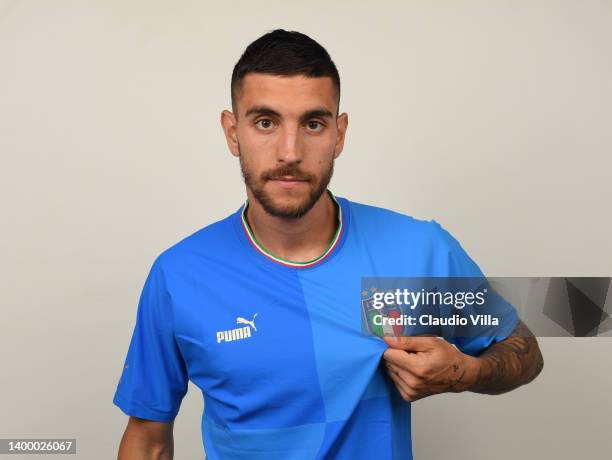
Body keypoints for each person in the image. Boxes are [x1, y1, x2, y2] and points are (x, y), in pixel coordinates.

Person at [113, 29, 544, 460]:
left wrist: (465, 371)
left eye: (313, 124)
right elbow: (149, 440)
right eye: (266, 122)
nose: (290, 152)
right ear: (232, 132)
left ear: (339, 134)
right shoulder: (180, 275)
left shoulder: (415, 251)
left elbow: (524, 349)